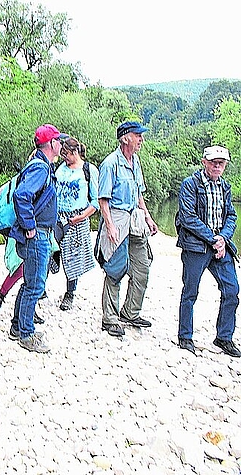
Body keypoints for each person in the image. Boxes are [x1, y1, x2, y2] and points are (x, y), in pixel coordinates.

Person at [175, 145, 241, 357]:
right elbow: (187, 217)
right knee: (190, 291)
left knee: (232, 290)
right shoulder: (190, 184)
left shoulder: (225, 187)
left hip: (219, 247)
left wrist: (223, 238)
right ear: (204, 162)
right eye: (213, 162)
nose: (217, 166)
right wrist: (214, 239)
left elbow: (231, 215)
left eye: (221, 163)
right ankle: (185, 336)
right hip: (196, 246)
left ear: (225, 166)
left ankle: (224, 337)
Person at [96, 121, 159, 338]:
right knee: (115, 269)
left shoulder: (136, 161)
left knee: (142, 267)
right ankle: (110, 319)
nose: (141, 139)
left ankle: (130, 312)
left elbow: (139, 193)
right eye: (137, 135)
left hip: (135, 218)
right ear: (125, 138)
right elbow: (103, 198)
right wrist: (110, 226)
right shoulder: (110, 163)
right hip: (117, 218)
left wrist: (148, 218)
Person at [7, 124, 61, 354]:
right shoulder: (41, 168)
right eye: (58, 140)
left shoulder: (40, 165)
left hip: (38, 232)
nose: (61, 145)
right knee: (35, 285)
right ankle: (26, 333)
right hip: (37, 234)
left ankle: (17, 326)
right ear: (50, 144)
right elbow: (22, 195)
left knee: (30, 282)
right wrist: (29, 226)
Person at [55, 135, 99, 311]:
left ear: (75, 152)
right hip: (58, 217)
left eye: (66, 154)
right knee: (51, 252)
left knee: (73, 258)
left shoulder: (89, 170)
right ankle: (40, 289)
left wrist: (81, 217)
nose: (64, 157)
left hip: (77, 219)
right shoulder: (61, 168)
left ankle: (69, 293)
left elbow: (96, 201)